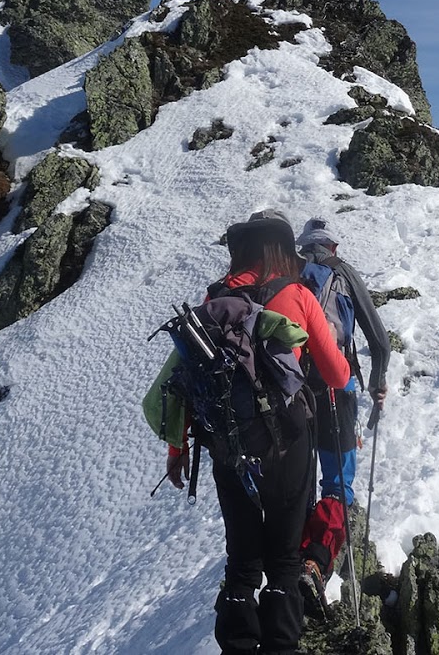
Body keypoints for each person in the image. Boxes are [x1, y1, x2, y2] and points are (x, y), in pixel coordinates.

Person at [165, 209, 350, 655]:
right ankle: (281, 645)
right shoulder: (296, 294)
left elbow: (182, 378)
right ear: (282, 250)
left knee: (243, 560)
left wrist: (177, 450)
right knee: (284, 559)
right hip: (287, 442)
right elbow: (339, 376)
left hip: (228, 447)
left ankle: (238, 644)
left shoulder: (214, 298)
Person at [294, 217, 392, 607]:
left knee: (299, 480)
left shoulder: (290, 276)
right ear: (332, 246)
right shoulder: (343, 273)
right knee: (336, 483)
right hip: (337, 388)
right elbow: (379, 341)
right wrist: (376, 382)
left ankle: (291, 563)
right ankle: (316, 563)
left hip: (292, 391)